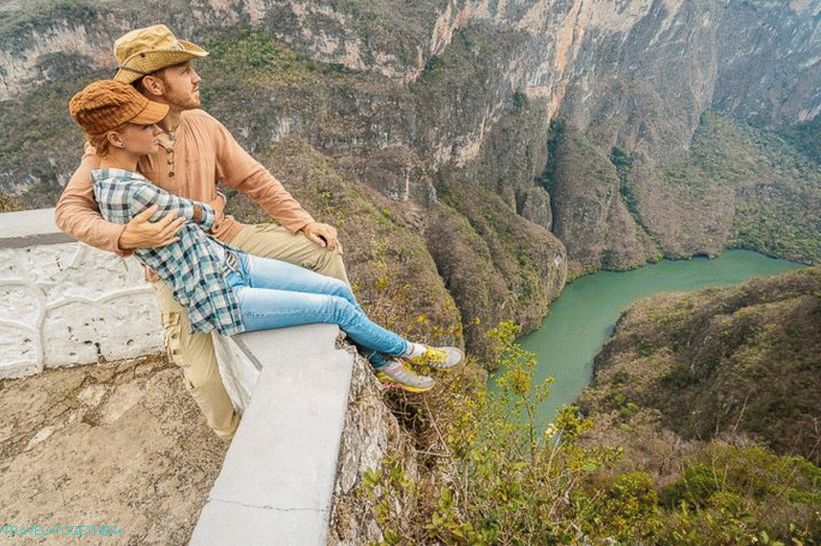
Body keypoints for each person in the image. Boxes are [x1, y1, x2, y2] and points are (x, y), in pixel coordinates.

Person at [54, 25, 447, 440]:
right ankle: (240, 444)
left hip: (228, 240)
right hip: (179, 269)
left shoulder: (201, 124)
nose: (196, 77)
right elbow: (70, 210)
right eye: (185, 70)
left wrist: (303, 222)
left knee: (323, 253)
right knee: (206, 381)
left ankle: (365, 351)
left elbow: (253, 178)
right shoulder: (117, 143)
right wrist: (124, 238)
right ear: (154, 82)